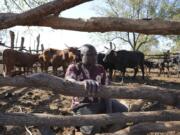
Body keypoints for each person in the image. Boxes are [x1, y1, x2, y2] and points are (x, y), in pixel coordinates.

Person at [65, 44, 127, 135]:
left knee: (123, 110)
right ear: (82, 56)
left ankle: (107, 128)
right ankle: (80, 124)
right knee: (94, 126)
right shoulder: (74, 68)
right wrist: (82, 83)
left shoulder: (100, 68)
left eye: (95, 54)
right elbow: (68, 81)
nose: (94, 57)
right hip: (82, 105)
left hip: (101, 102)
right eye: (90, 55)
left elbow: (107, 90)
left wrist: (109, 109)